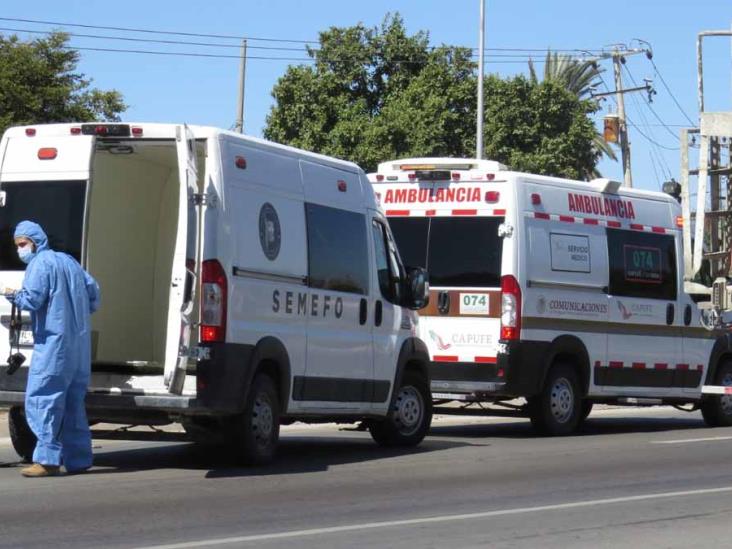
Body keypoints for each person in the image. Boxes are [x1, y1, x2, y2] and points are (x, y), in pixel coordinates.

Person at [3, 221, 100, 477]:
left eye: (23, 244)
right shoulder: (70, 262)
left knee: (44, 400)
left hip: (54, 346)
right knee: (72, 403)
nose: (21, 250)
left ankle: (47, 460)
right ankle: (78, 459)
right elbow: (94, 295)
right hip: (78, 345)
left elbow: (32, 299)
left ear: (36, 241)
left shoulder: (40, 264)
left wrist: (13, 295)